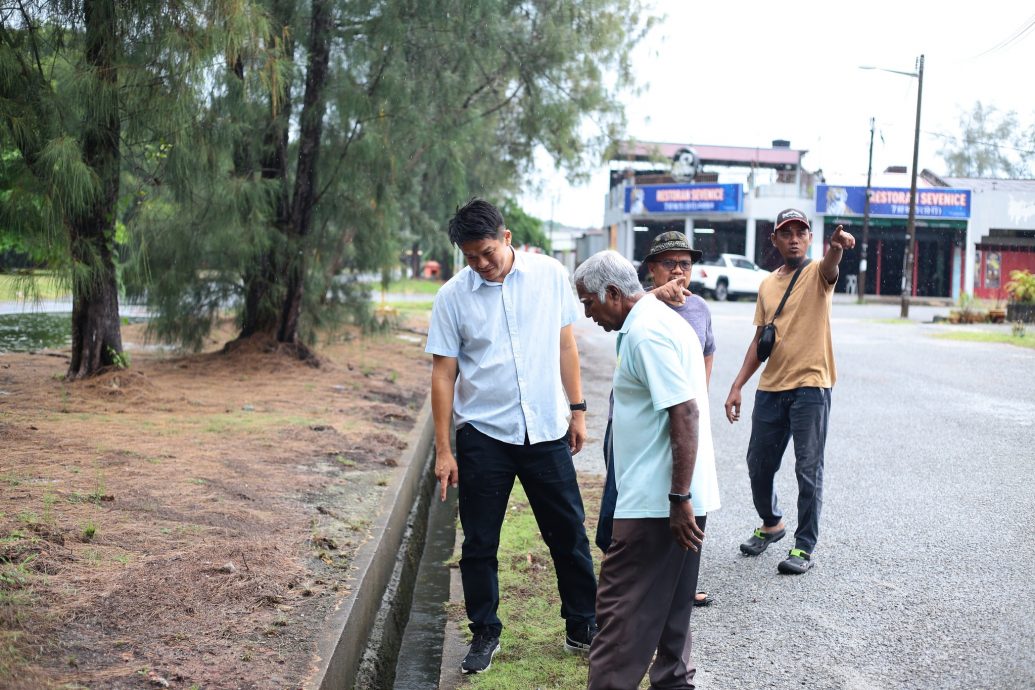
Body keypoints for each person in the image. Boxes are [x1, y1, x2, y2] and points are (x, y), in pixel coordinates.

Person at [425, 198, 598, 675]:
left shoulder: (549, 276)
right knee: (480, 542)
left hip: (544, 427)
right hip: (484, 434)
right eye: (470, 257)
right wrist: (444, 449)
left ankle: (582, 625)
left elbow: (566, 344)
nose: (481, 264)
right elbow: (443, 375)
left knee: (568, 533)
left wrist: (578, 410)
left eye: (487, 253)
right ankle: (485, 632)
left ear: (506, 238)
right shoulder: (452, 297)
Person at [574, 250, 720, 690]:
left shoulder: (647, 334)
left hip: (659, 505)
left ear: (613, 293)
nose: (589, 314)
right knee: (672, 621)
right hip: (682, 499)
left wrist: (677, 499)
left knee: (620, 621)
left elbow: (685, 412)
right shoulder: (658, 319)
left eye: (589, 304)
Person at [723, 208, 855, 574]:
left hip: (811, 387)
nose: (794, 237)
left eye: (801, 231)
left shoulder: (818, 272)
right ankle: (772, 523)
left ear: (810, 238)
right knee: (758, 465)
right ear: (775, 240)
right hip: (771, 388)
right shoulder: (767, 284)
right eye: (787, 232)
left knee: (808, 468)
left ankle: (804, 546)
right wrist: (737, 385)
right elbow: (760, 339)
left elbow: (831, 265)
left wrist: (838, 247)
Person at [595, 231, 716, 608]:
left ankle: (677, 584)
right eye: (670, 263)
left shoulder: (698, 310)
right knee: (622, 510)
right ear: (651, 270)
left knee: (682, 505)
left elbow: (707, 353)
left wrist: (699, 397)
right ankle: (625, 582)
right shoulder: (640, 304)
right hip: (633, 425)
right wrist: (654, 297)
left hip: (680, 422)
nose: (679, 271)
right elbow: (617, 311)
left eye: (685, 263)